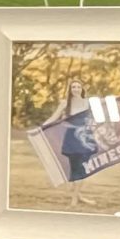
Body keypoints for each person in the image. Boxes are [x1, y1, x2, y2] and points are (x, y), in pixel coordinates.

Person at [41, 79, 96, 207]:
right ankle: (78, 196)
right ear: (70, 90)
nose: (76, 89)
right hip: (71, 138)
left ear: (82, 89)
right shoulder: (65, 103)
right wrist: (41, 127)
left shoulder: (88, 103)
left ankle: (75, 199)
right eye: (73, 87)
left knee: (82, 169)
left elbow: (98, 114)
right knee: (74, 169)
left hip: (85, 138)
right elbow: (54, 117)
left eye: (78, 87)